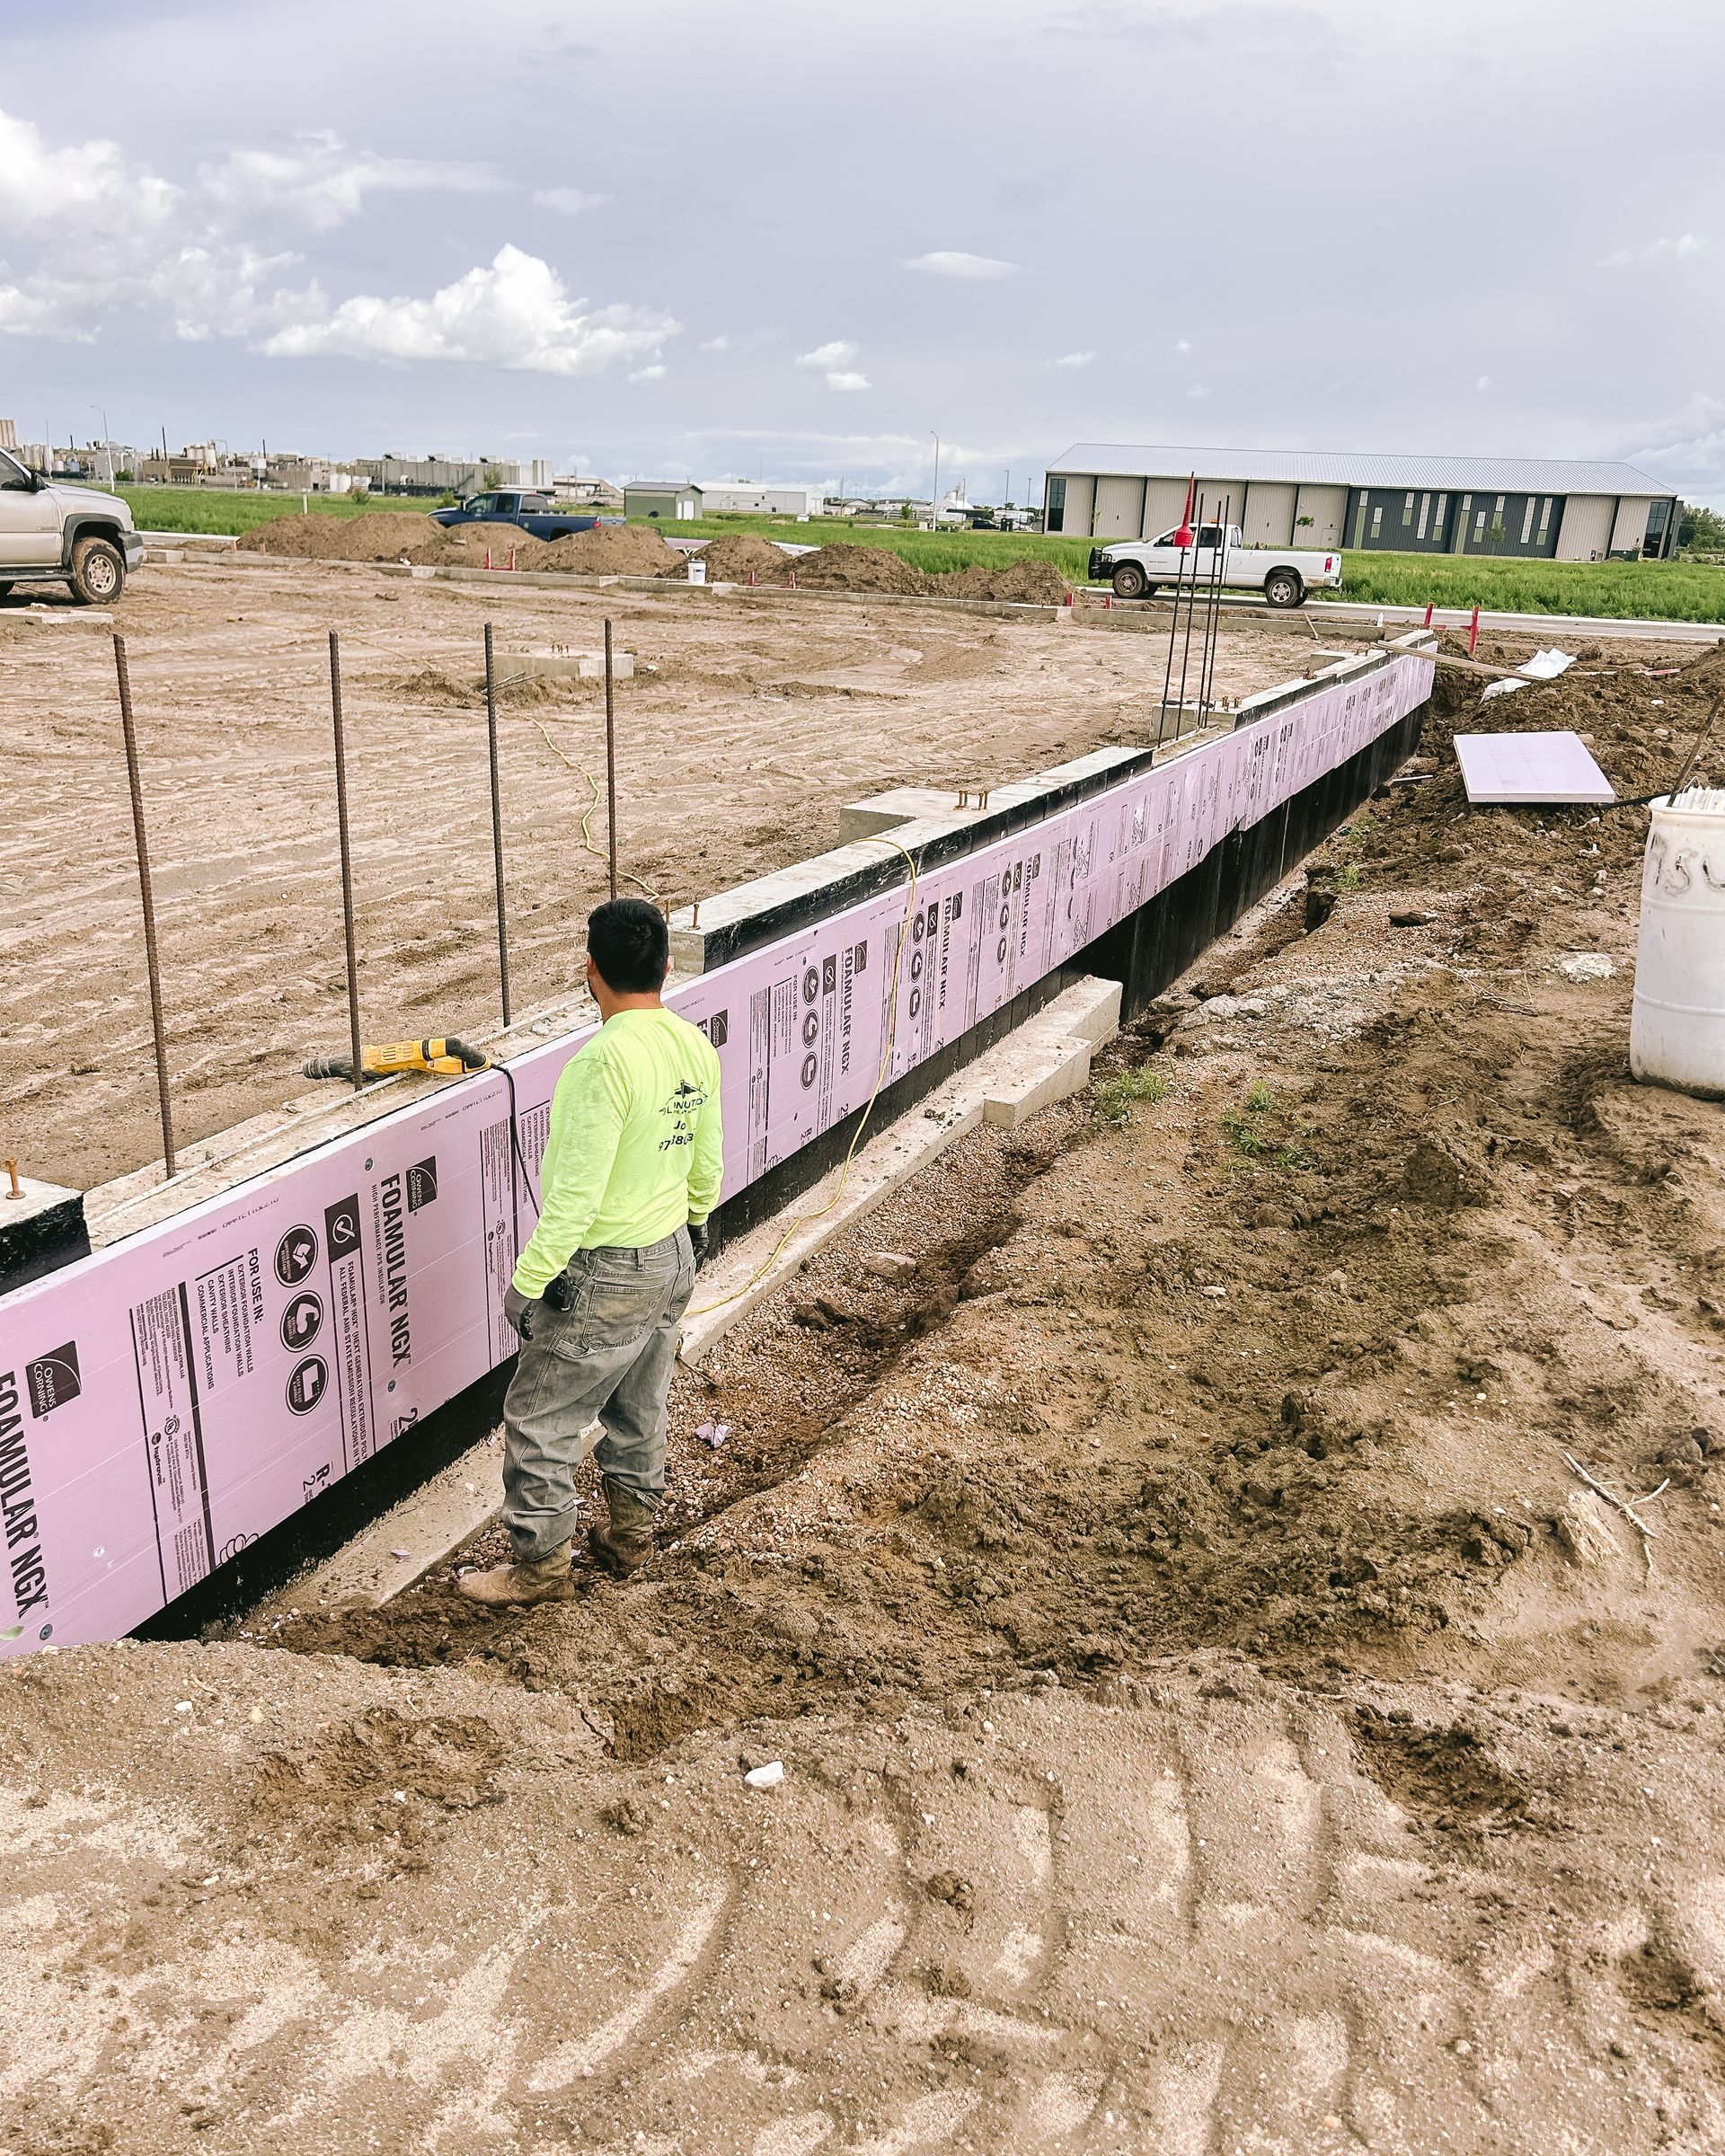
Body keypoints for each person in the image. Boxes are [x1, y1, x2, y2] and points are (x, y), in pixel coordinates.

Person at [457, 897, 722, 1605]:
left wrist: (528, 1282)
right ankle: (632, 1536)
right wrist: (696, 1226)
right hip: (670, 1254)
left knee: (541, 1418)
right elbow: (706, 1155)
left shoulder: (601, 1063)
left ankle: (541, 1569)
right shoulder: (691, 1043)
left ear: (591, 972)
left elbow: (576, 1197)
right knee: (640, 1402)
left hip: (606, 1271)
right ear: (666, 966)